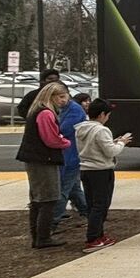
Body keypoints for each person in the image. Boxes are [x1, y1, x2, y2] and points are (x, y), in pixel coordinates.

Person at [15, 82, 72, 250]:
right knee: (49, 198)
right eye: (61, 97)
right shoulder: (46, 113)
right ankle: (43, 237)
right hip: (43, 160)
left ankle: (37, 236)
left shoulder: (37, 110)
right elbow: (51, 139)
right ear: (51, 96)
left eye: (65, 96)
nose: (64, 100)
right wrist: (65, 142)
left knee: (37, 199)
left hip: (35, 159)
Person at [75, 98, 131, 253]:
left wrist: (112, 142)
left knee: (92, 204)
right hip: (101, 170)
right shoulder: (101, 130)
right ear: (101, 115)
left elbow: (97, 146)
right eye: (107, 114)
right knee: (101, 205)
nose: (108, 117)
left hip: (86, 169)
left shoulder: (80, 128)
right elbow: (111, 151)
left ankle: (98, 234)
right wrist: (122, 143)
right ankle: (93, 238)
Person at [52, 91, 91, 231]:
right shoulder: (65, 110)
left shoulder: (73, 110)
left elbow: (64, 130)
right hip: (69, 155)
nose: (61, 100)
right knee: (74, 189)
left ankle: (52, 222)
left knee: (63, 190)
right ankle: (88, 213)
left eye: (63, 97)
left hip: (70, 156)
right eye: (58, 97)